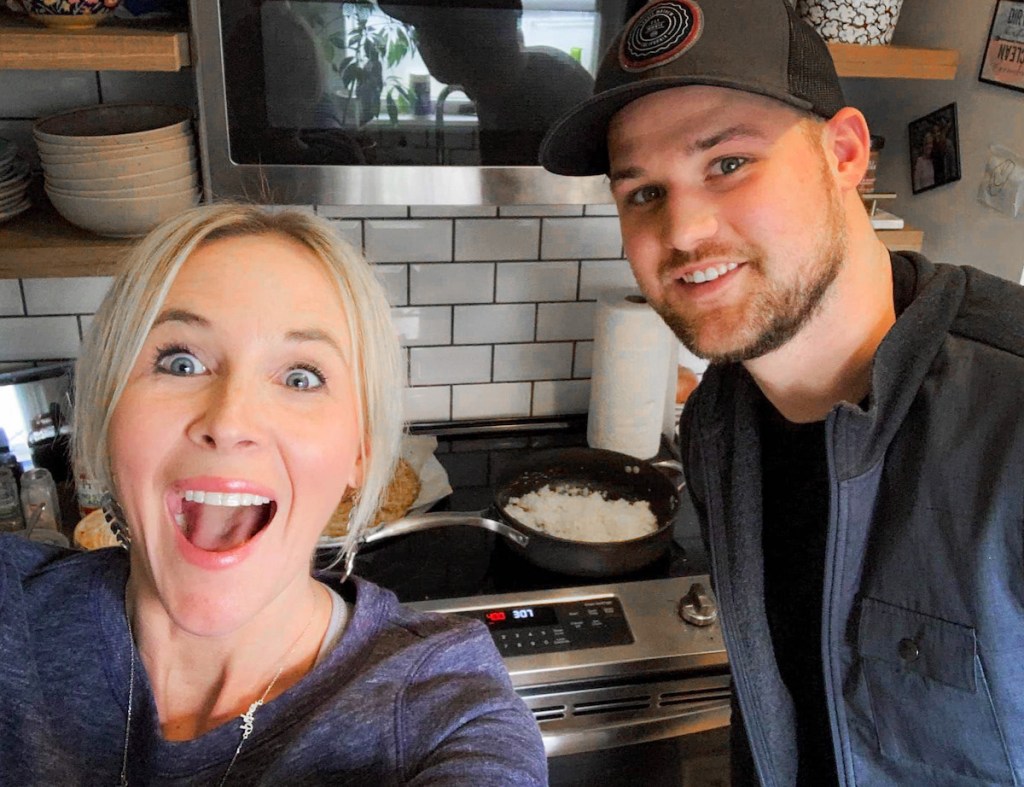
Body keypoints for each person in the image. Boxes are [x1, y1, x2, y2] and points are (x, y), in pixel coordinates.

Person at [539, 0, 1024, 784]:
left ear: (846, 153)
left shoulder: (1011, 419)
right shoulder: (718, 427)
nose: (685, 231)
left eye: (728, 163)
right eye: (643, 193)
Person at [0, 204, 547, 785]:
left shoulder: (442, 706)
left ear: (360, 453)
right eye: (180, 362)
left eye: (300, 377)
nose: (231, 420)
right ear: (109, 416)